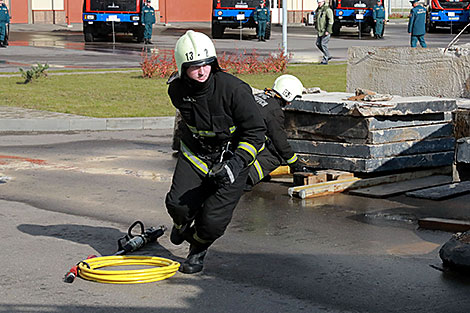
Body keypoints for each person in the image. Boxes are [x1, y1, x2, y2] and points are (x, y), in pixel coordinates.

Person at [166, 30, 266, 274]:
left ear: (214, 63)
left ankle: (197, 249)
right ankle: (181, 224)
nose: (201, 71)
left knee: (212, 222)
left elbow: (255, 133)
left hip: (233, 159)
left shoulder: (235, 91)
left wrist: (235, 164)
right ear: (181, 69)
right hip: (196, 155)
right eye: (193, 67)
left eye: (206, 64)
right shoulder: (177, 91)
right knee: (177, 205)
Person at [246, 74, 308, 190]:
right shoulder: (274, 111)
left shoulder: (258, 96)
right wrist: (295, 163)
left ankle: (254, 173)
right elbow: (280, 142)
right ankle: (248, 177)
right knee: (276, 155)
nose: (290, 103)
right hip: (245, 142)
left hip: (234, 140)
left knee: (266, 143)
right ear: (287, 95)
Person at [314, 0, 334, 65]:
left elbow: (331, 20)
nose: (318, 4)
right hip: (320, 31)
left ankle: (326, 58)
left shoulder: (327, 9)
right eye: (318, 2)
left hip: (325, 31)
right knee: (318, 43)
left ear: (323, 2)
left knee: (323, 44)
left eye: (319, 2)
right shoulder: (318, 9)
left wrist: (328, 30)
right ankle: (327, 55)